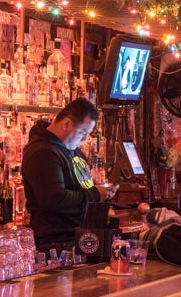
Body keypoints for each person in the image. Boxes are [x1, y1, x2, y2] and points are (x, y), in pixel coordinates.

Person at [21, 98, 116, 248]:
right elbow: (55, 199)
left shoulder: (70, 148)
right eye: (83, 132)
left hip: (79, 238)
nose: (85, 139)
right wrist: (96, 194)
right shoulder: (43, 152)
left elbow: (79, 187)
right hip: (57, 244)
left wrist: (102, 191)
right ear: (66, 124)